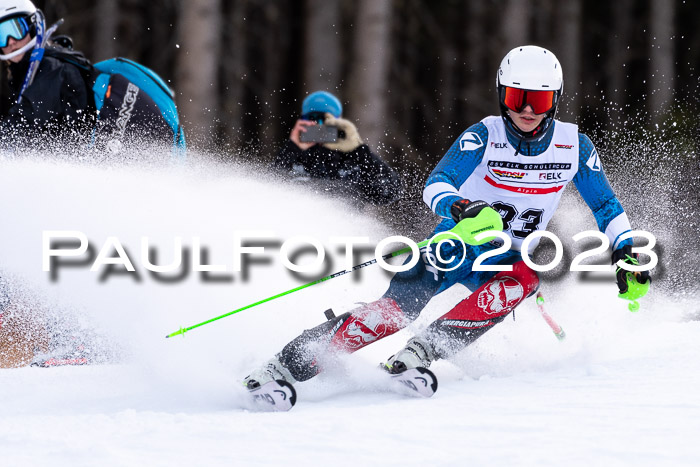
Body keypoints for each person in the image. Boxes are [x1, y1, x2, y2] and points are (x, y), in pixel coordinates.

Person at [244, 46, 651, 400]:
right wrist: (462, 209)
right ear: (501, 95)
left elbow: (606, 206)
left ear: (556, 101)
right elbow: (436, 184)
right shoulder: (483, 136)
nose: (527, 110)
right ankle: (286, 364)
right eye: (517, 97)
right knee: (396, 310)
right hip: (456, 244)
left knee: (524, 279)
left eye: (540, 101)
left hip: (505, 259)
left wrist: (625, 249)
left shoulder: (573, 145)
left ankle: (422, 351)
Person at [0, 0, 185, 155]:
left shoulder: (51, 69)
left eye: (16, 29)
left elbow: (21, 127)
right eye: (1, 35)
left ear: (33, 25)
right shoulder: (41, 67)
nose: (10, 41)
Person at [273, 90, 403, 205]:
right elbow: (269, 187)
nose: (319, 125)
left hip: (344, 229)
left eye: (325, 120)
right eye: (312, 118)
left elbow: (391, 192)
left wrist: (359, 150)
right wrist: (293, 147)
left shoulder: (352, 159)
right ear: (302, 120)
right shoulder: (294, 156)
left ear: (338, 122)